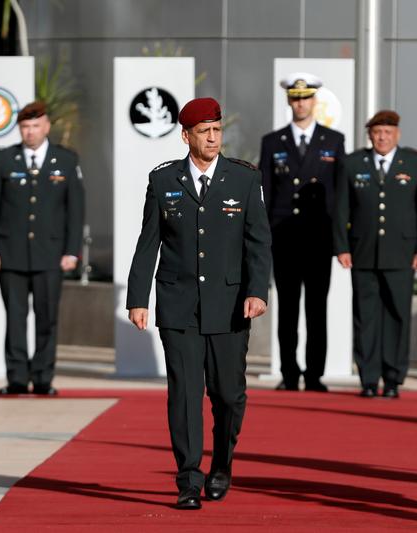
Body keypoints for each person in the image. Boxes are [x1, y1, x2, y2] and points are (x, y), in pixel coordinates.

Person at [126, 97, 272, 510]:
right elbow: (148, 243)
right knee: (185, 394)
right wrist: (138, 299)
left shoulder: (244, 180)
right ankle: (189, 480)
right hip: (178, 306)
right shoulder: (163, 180)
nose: (213, 137)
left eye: (217, 130)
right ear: (186, 135)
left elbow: (259, 242)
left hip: (229, 306)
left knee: (228, 395)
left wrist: (257, 290)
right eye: (204, 131)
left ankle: (222, 463)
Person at [0, 101, 85, 396]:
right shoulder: (4, 159)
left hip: (51, 254)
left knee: (46, 318)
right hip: (10, 253)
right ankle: (16, 377)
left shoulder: (66, 160)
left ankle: (42, 378)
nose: (30, 132)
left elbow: (75, 211)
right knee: (14, 317)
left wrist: (72, 251)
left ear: (47, 127)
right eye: (25, 127)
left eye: (35, 126)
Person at [333, 110, 417, 399]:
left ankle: (392, 378)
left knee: (396, 316)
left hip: (402, 254)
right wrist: (341, 246)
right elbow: (341, 209)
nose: (382, 137)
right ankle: (368, 378)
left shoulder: (415, 163)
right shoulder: (353, 163)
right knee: (365, 317)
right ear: (370, 135)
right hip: (362, 252)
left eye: (388, 133)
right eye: (377, 132)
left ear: (397, 134)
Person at [258, 72, 345, 392]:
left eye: (305, 98)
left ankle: (314, 374)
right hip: (284, 238)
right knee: (288, 309)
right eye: (295, 98)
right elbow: (264, 191)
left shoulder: (333, 141)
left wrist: (340, 241)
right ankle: (290, 372)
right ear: (289, 101)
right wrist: (262, 237)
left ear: (314, 101)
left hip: (319, 238)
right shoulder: (272, 141)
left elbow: (338, 195)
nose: (300, 104)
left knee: (316, 309)